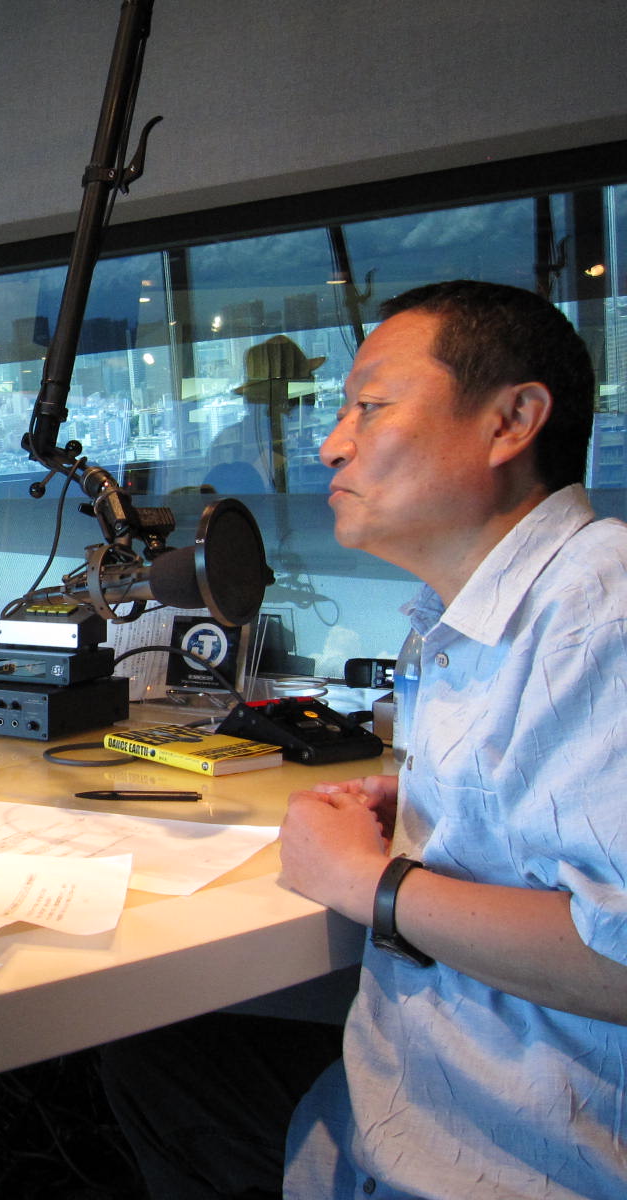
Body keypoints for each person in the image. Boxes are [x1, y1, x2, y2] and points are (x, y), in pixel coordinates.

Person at [102, 280, 627, 1198]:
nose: (332, 442)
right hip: (391, 1104)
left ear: (511, 422)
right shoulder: (470, 618)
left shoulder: (599, 613)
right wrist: (432, 816)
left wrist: (366, 882)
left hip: (496, 1161)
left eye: (371, 406)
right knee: (149, 1059)